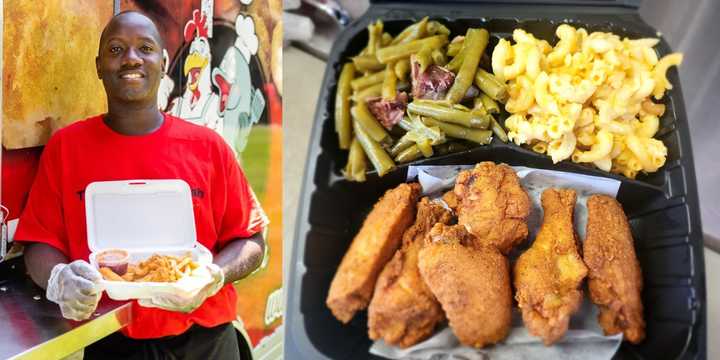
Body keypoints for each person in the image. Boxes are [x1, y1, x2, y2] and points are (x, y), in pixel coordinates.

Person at [13, 11, 268, 359]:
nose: (131, 58)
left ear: (163, 62)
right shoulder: (66, 149)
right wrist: (59, 278)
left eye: (145, 48)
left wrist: (214, 274)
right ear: (99, 65)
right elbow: (39, 243)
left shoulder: (208, 147)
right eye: (116, 49)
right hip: (113, 338)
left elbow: (251, 240)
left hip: (206, 337)